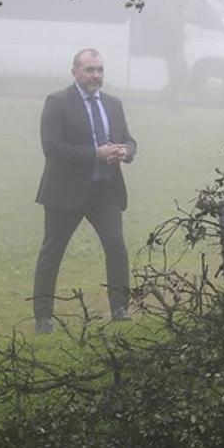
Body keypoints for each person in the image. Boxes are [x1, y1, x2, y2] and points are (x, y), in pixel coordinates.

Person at [32, 48, 137, 333]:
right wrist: (96, 154)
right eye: (90, 70)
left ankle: (119, 308)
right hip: (65, 192)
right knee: (52, 252)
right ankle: (43, 316)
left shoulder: (113, 103)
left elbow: (128, 139)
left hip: (105, 191)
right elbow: (52, 149)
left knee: (116, 245)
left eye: (100, 70)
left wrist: (125, 152)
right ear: (75, 72)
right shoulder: (57, 102)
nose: (96, 76)